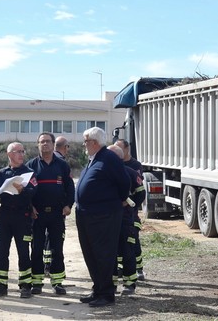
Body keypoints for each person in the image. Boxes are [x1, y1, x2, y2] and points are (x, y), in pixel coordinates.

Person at [76, 127, 129, 307]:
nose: (84, 144)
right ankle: (98, 289)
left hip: (104, 215)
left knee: (103, 254)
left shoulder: (109, 158)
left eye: (86, 141)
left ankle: (106, 294)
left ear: (95, 143)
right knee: (90, 254)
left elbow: (124, 183)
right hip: (86, 215)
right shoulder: (94, 158)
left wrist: (119, 200)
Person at [26, 132, 74, 295]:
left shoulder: (62, 165)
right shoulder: (31, 165)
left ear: (54, 145)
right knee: (37, 248)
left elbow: (70, 187)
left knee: (57, 249)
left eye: (47, 141)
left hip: (57, 214)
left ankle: (58, 282)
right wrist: (29, 207)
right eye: (41, 142)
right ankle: (37, 282)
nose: (44, 144)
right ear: (37, 145)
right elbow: (25, 190)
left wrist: (68, 205)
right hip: (37, 215)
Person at [0, 142, 37, 299]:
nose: (21, 154)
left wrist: (22, 190)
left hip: (22, 217)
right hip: (4, 216)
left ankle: (25, 286)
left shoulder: (29, 173)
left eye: (23, 151)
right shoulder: (2, 173)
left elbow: (33, 192)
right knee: (1, 252)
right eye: (18, 152)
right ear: (9, 154)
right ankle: (1, 286)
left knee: (24, 252)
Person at [107, 144, 145, 296]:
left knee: (127, 250)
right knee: (110, 252)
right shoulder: (104, 174)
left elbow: (140, 194)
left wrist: (129, 204)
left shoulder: (129, 172)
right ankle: (112, 283)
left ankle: (130, 284)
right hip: (108, 220)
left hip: (125, 218)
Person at [114, 139, 146, 281]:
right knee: (119, 245)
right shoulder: (110, 169)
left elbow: (140, 193)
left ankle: (138, 269)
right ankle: (121, 269)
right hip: (116, 215)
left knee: (133, 243)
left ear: (126, 149)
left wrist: (131, 205)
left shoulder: (134, 167)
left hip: (130, 214)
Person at [43, 136, 69, 276]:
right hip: (54, 211)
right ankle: (50, 267)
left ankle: (47, 266)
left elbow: (69, 187)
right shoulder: (62, 163)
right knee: (55, 241)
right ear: (65, 147)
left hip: (56, 210)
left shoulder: (61, 164)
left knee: (46, 240)